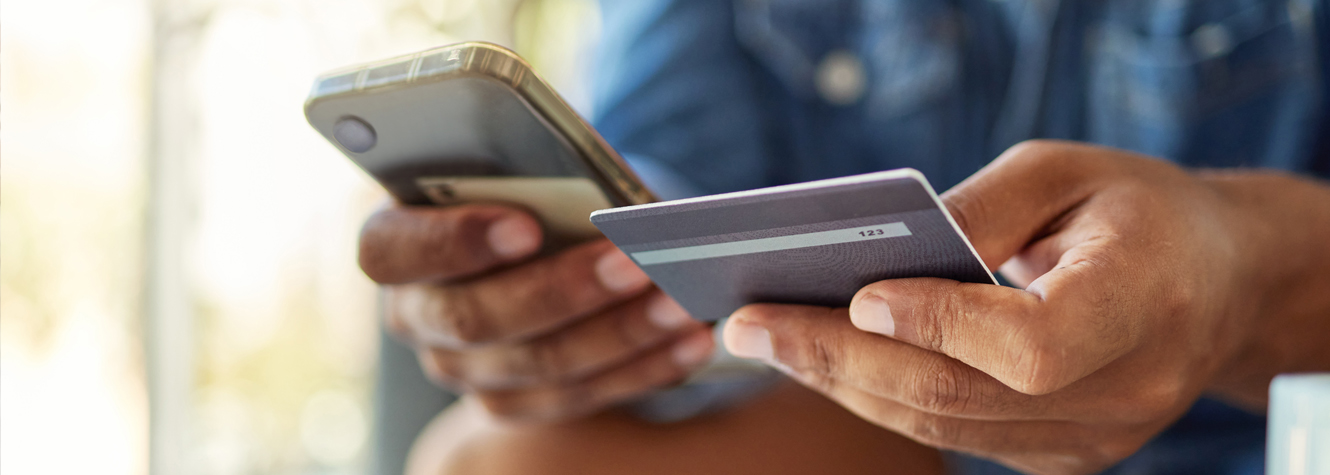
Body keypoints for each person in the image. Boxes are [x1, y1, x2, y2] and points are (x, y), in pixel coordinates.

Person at [360, 0, 1330, 473]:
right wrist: (577, 287)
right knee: (493, 461)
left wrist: (1244, 274)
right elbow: (663, 173)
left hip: (1271, 433)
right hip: (890, 436)